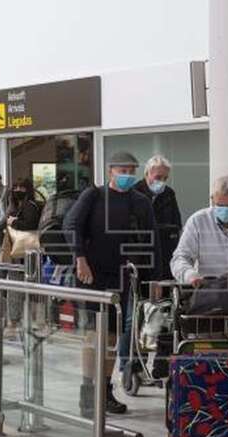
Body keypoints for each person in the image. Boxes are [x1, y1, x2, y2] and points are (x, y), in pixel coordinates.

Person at [64, 151, 160, 416]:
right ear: (110, 172)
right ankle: (87, 393)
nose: (127, 175)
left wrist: (155, 279)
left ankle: (104, 392)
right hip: (91, 275)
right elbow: (71, 225)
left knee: (112, 337)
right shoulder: (93, 196)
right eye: (122, 170)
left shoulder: (140, 201)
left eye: (131, 170)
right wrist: (80, 258)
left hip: (121, 277)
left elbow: (153, 239)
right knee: (94, 334)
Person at [3, 177, 42, 337]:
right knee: (14, 288)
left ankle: (33, 322)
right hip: (15, 254)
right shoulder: (14, 206)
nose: (18, 190)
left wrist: (14, 222)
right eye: (15, 187)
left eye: (22, 187)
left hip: (26, 254)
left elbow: (30, 224)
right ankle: (14, 321)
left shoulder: (31, 205)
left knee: (27, 288)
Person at [133, 155, 182, 280]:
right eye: (158, 177)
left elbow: (176, 224)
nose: (161, 182)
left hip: (165, 253)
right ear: (147, 174)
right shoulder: (134, 193)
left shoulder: (169, 194)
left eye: (165, 178)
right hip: (142, 256)